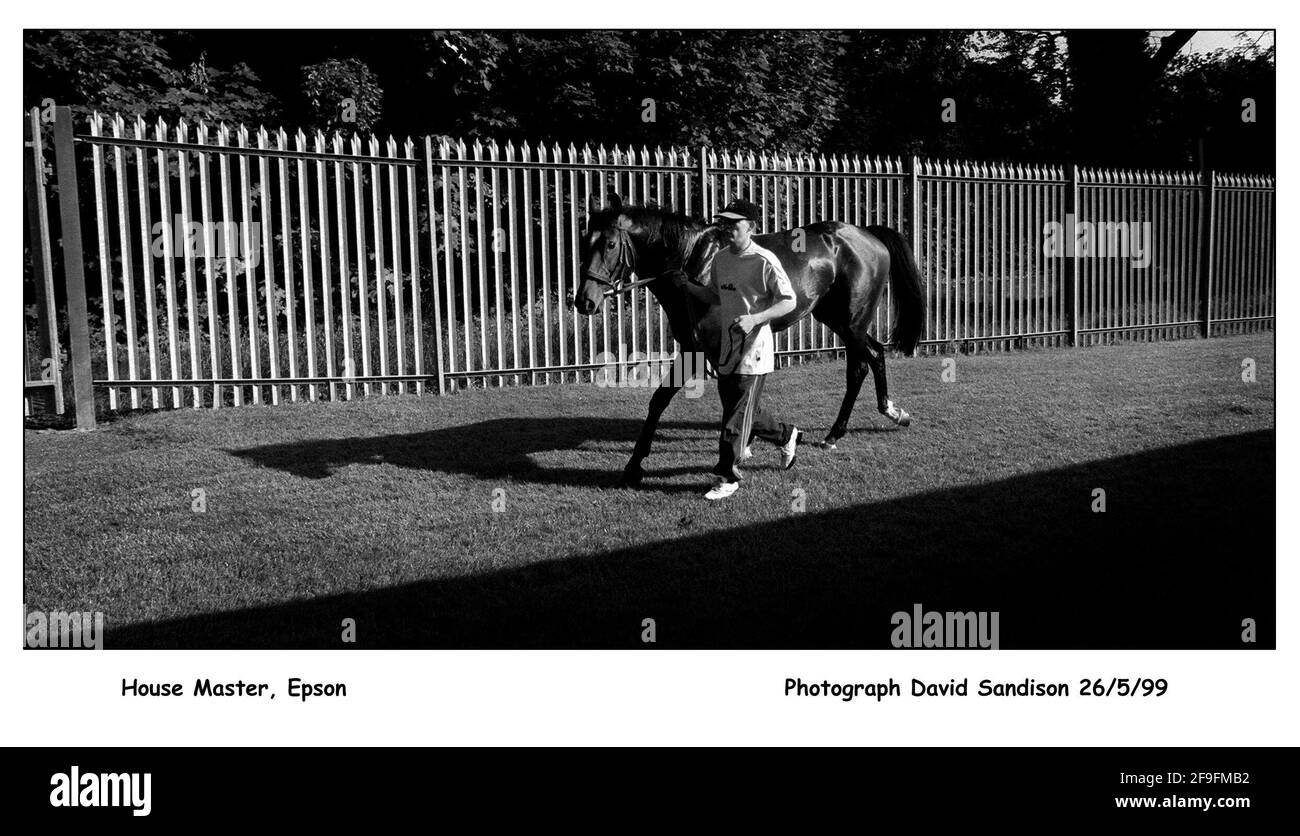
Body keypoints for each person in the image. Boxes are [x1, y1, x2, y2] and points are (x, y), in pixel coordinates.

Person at [673, 199, 800, 500]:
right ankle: (787, 434)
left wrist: (756, 318)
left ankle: (727, 477)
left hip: (755, 351)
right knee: (743, 412)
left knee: (733, 420)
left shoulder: (765, 261)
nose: (728, 229)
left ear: (752, 228)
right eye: (725, 224)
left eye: (735, 224)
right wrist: (687, 286)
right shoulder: (721, 259)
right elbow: (715, 296)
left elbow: (789, 300)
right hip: (727, 349)